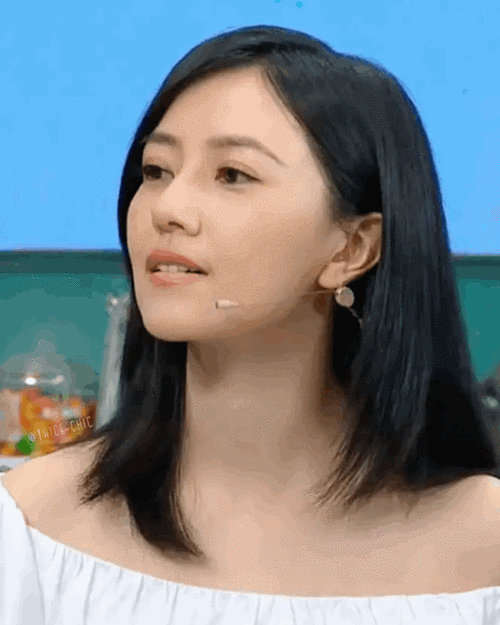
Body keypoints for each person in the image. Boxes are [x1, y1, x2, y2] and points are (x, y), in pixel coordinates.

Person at [2, 24, 500, 625]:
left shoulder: (484, 549)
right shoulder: (31, 527)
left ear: (352, 248)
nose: (168, 209)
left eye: (233, 175)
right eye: (156, 170)